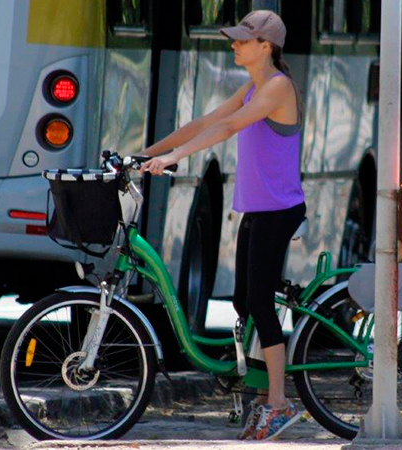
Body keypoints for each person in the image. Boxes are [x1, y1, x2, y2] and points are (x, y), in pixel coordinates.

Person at [139, 9, 305, 441]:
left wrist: (176, 159)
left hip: (279, 210)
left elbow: (230, 127)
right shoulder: (252, 87)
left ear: (265, 46)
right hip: (258, 209)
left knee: (260, 303)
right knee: (243, 302)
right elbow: (206, 122)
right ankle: (259, 389)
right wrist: (142, 156)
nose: (234, 45)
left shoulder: (278, 87)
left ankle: (279, 402)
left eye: (241, 40)